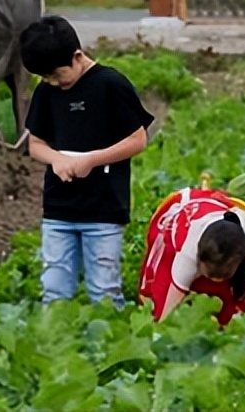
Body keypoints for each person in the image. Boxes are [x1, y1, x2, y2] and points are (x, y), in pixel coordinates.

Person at [19, 15, 154, 308]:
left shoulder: (111, 85)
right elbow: (36, 145)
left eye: (57, 75)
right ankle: (55, 331)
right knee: (54, 285)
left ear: (77, 56)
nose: (53, 83)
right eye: (46, 78)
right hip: (58, 208)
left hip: (103, 208)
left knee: (104, 288)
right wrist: (56, 159)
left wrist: (93, 160)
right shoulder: (47, 92)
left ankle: (107, 332)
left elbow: (138, 139)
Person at [139, 186, 245, 325]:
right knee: (159, 299)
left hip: (217, 213)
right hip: (182, 215)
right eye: (209, 275)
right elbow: (167, 311)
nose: (215, 280)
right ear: (199, 259)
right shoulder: (186, 256)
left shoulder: (242, 224)